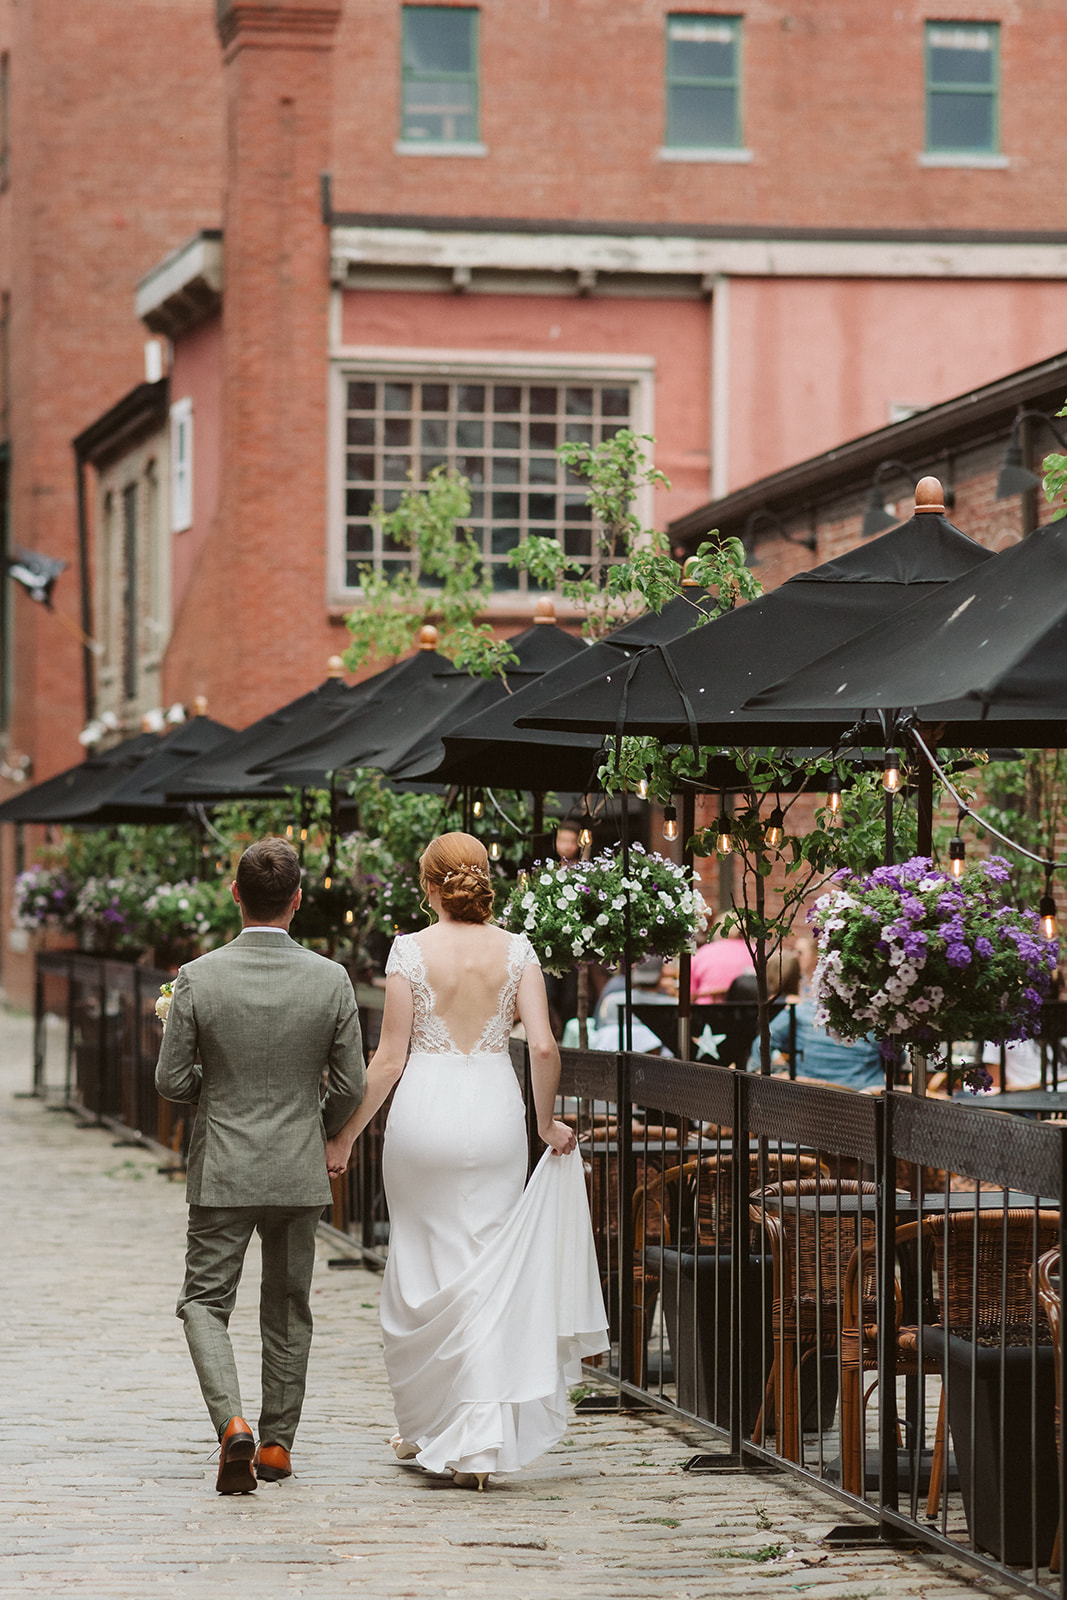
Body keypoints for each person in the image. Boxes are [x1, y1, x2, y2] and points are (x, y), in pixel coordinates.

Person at [325, 831, 608, 1491]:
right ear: (486, 880)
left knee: (420, 1265)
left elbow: (388, 1060)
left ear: (429, 886)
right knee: (487, 1270)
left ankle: (429, 1427)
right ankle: (474, 1441)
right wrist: (544, 1124)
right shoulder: (517, 951)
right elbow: (542, 1047)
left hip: (424, 1114)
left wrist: (344, 1137)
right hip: (493, 1114)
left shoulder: (409, 952)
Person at [156, 837, 366, 1494]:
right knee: (287, 1306)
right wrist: (316, 1124)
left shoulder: (199, 976)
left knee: (202, 1302)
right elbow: (353, 1085)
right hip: (298, 1169)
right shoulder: (330, 979)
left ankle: (231, 1425)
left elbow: (168, 1079)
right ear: (297, 900)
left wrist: (212, 1096)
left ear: (235, 893)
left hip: (224, 1166)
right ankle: (275, 1446)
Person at [690, 913, 754, 1002]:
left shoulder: (704, 952)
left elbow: (689, 993)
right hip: (748, 1011)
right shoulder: (756, 952)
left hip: (706, 1012)